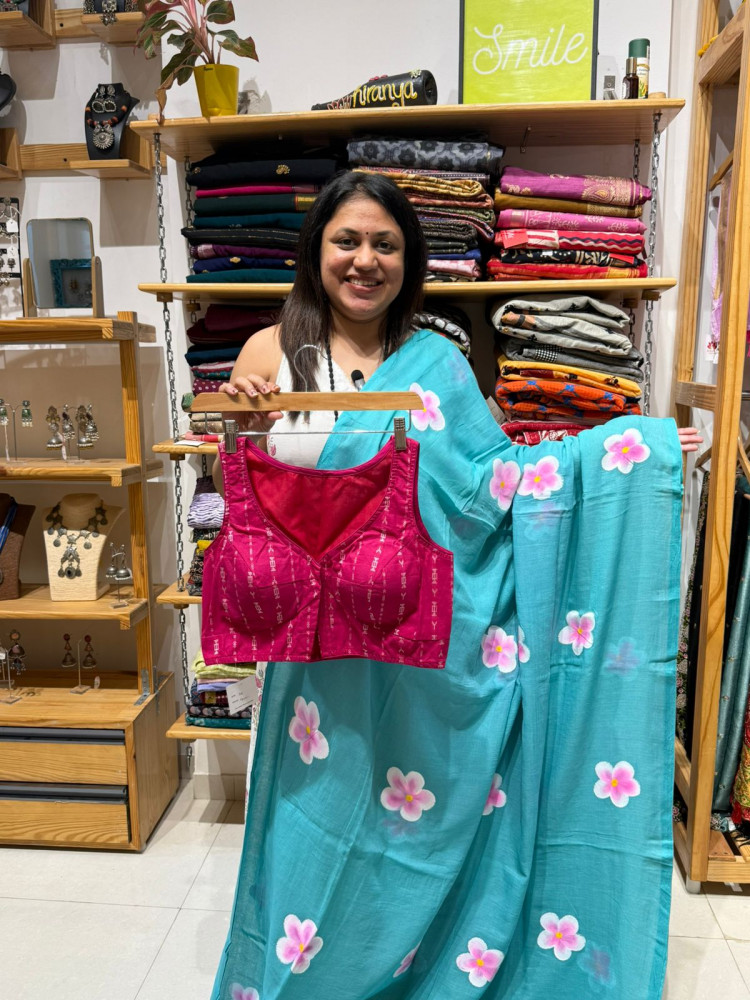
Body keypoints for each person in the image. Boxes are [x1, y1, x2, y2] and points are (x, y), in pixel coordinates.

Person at [207, 170, 700, 1000]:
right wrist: (242, 421)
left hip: (419, 645)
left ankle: (423, 960)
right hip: (319, 670)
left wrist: (630, 454)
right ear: (315, 251)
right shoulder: (271, 353)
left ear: (410, 260)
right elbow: (244, 491)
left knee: (413, 825)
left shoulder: (436, 361)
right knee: (314, 822)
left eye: (385, 245)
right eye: (347, 241)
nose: (365, 261)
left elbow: (498, 483)